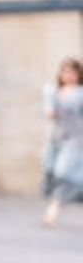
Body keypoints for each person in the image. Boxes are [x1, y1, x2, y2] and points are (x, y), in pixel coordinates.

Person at [42, 58, 83, 227]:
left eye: (72, 72)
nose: (68, 75)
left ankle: (53, 210)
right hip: (58, 140)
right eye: (65, 71)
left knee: (64, 174)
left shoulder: (80, 93)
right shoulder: (54, 92)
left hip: (77, 140)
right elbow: (50, 114)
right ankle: (54, 208)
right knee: (55, 174)